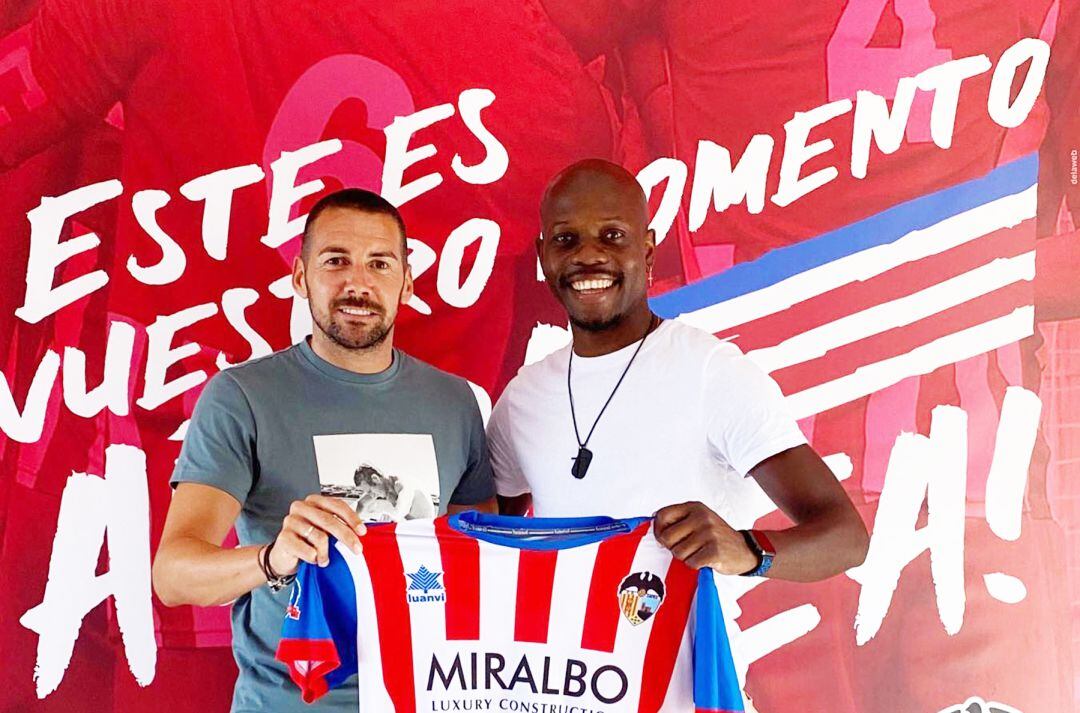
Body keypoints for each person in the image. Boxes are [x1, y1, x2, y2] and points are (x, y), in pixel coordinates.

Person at [152, 188, 497, 713]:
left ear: (406, 282)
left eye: (379, 263)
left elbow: (483, 563)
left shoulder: (456, 403)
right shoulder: (242, 396)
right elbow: (173, 576)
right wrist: (274, 559)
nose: (358, 282)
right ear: (300, 276)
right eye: (336, 260)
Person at [489, 158, 869, 584]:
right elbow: (481, 540)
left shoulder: (712, 372)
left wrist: (747, 550)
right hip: (568, 650)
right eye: (565, 239)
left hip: (693, 650)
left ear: (647, 251)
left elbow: (847, 538)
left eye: (613, 236)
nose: (588, 255)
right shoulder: (523, 397)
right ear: (544, 256)